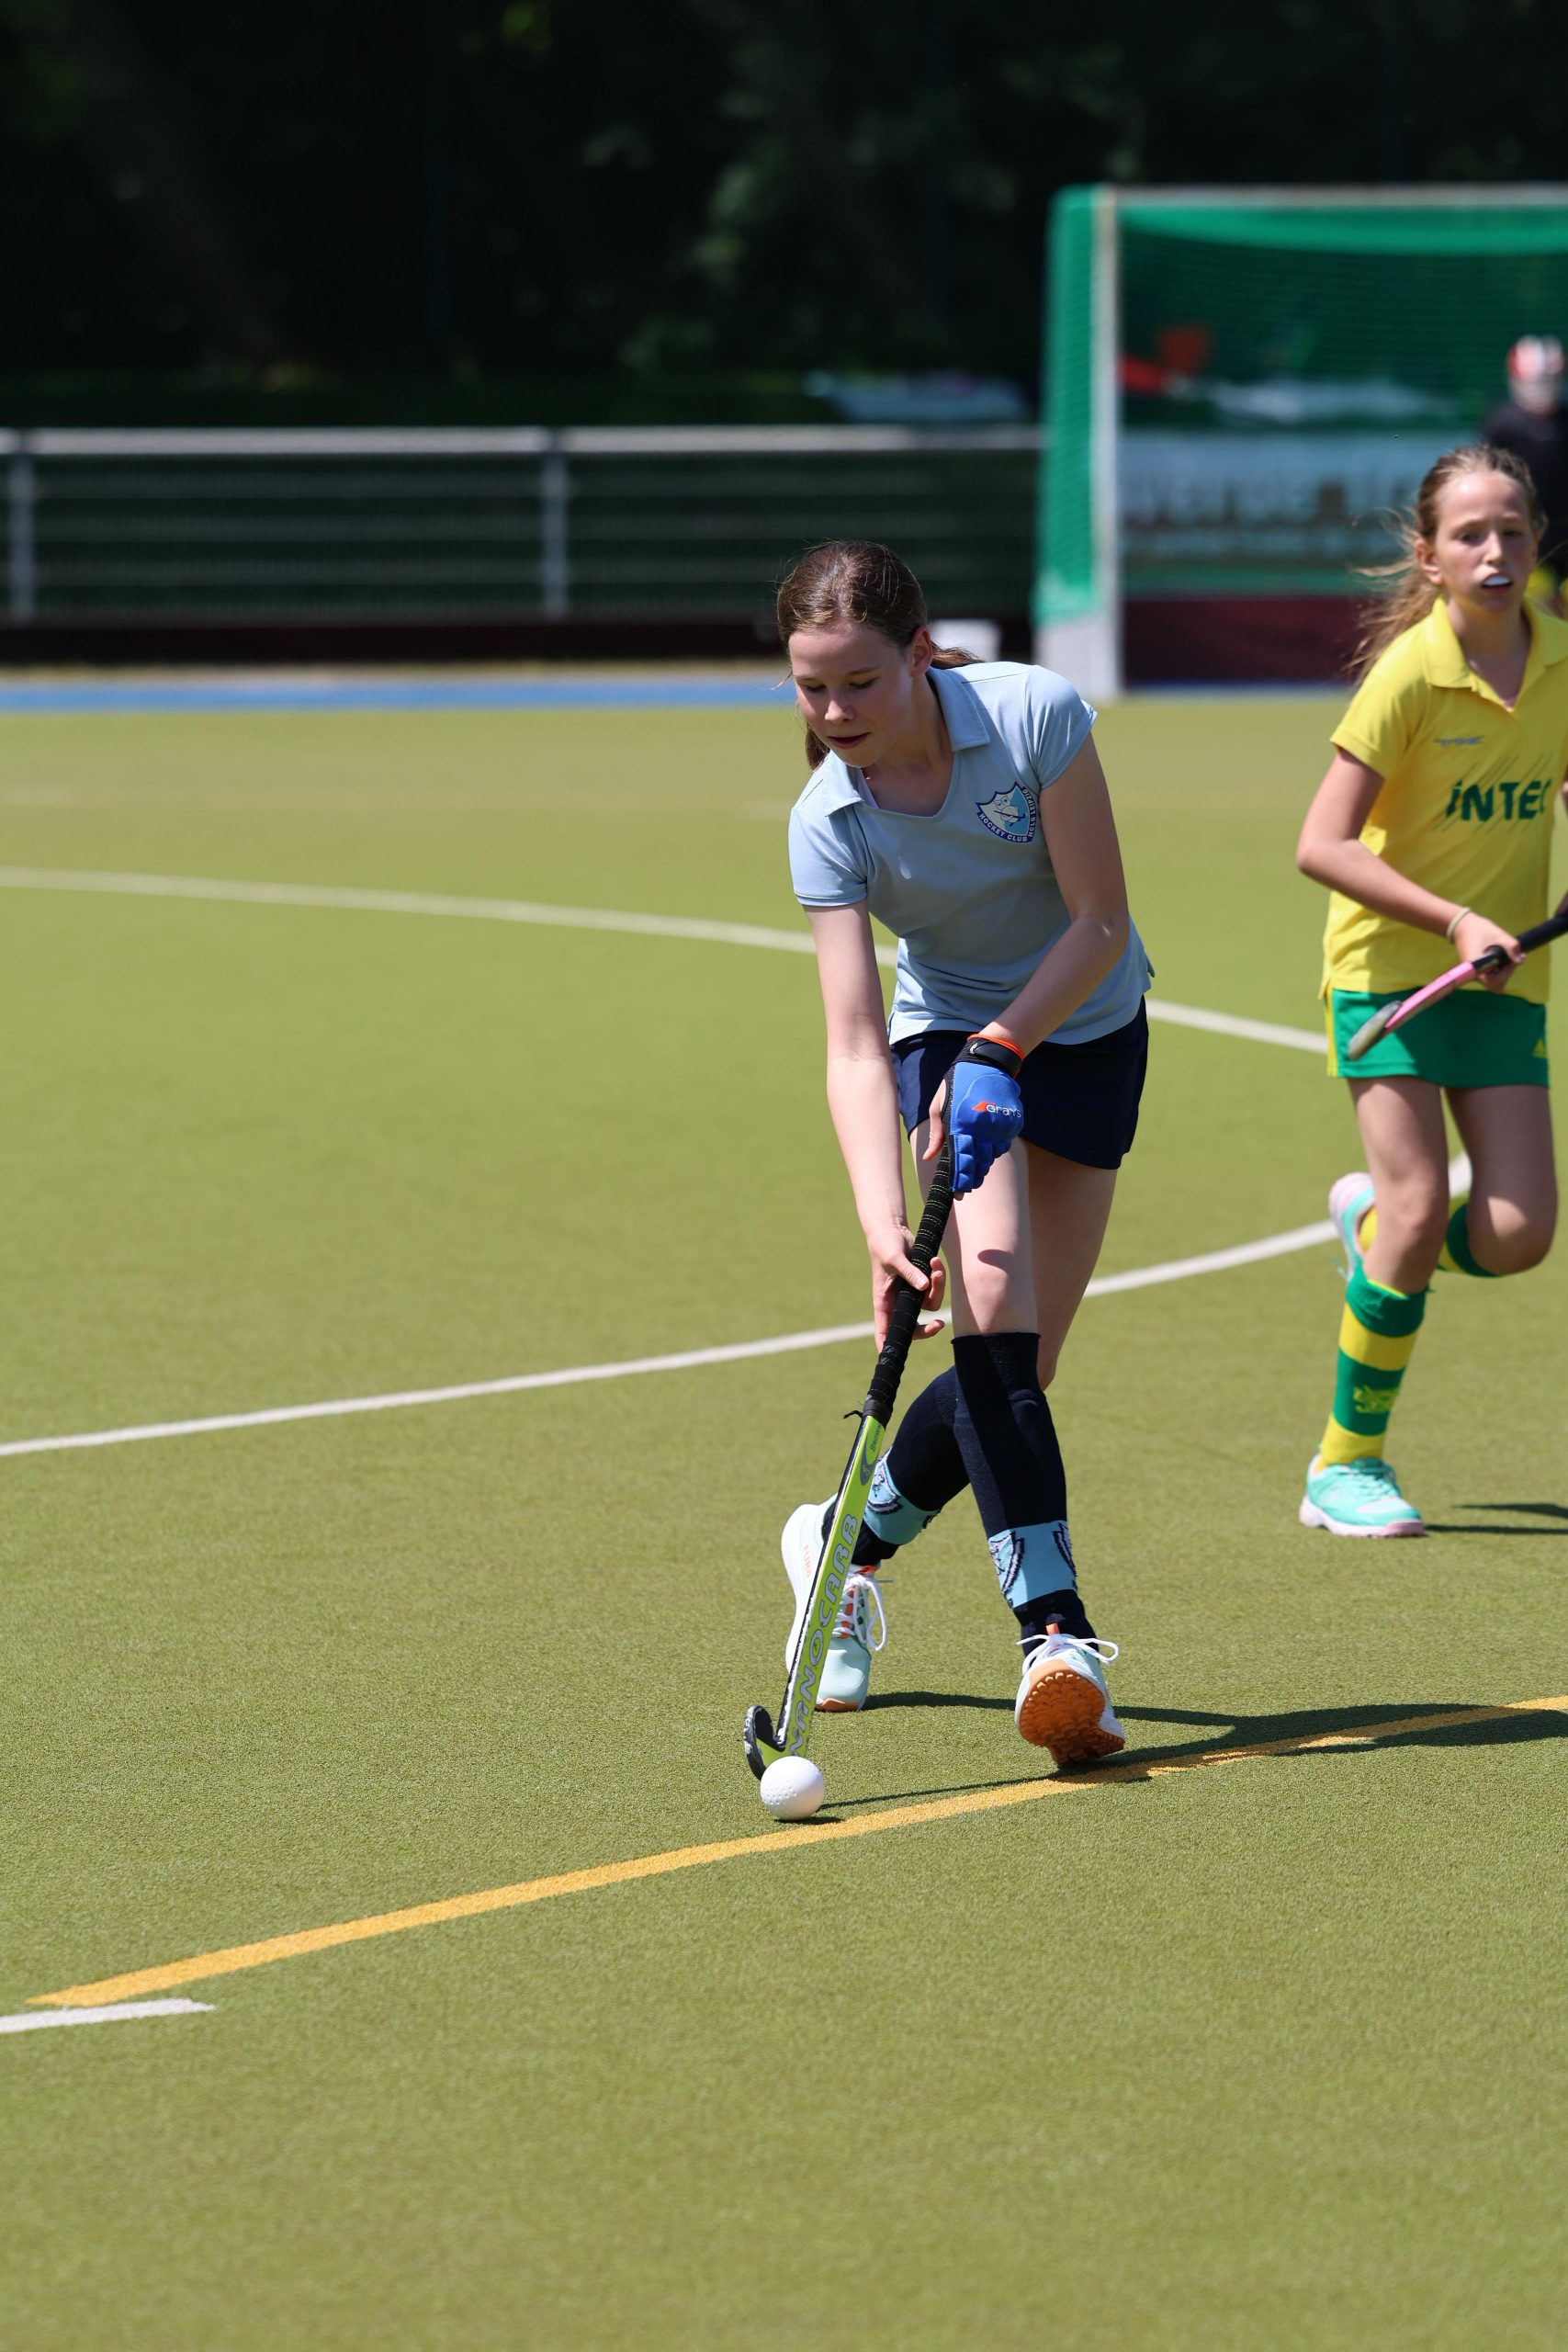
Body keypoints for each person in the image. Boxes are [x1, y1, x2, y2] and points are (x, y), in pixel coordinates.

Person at [776, 540, 1152, 1765]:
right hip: (943, 1041)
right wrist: (877, 1221)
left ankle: (842, 1548)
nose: (835, 713)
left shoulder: (1035, 715)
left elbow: (1100, 920)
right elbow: (849, 1042)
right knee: (989, 1311)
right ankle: (1056, 1637)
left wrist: (1008, 1044)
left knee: (1024, 1361)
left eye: (858, 683)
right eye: (811, 688)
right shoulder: (825, 822)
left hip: (1084, 1029)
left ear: (920, 654)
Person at [1296, 444, 1568, 1537]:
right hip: (1390, 977)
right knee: (1416, 1208)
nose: (1494, 551)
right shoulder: (1409, 673)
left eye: (1512, 530)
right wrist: (1454, 919)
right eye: (1470, 535)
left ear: (1537, 542)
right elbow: (1320, 843)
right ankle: (1344, 1464)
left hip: (1506, 982)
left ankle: (1374, 1237)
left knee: (1519, 1231)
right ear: (1431, 556)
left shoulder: (1561, 659)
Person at [1482, 337, 1568, 609]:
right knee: (1530, 609)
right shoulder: (1502, 425)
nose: (1542, 391)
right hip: (1526, 540)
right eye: (1534, 383)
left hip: (1565, 539)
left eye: (1549, 382)